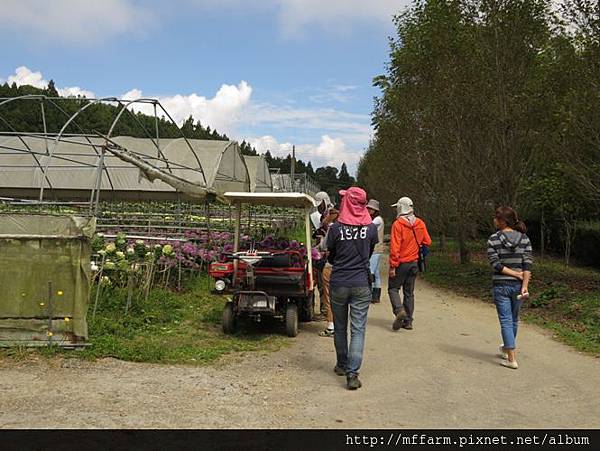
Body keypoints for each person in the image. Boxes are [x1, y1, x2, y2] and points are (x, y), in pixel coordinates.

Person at [326, 187, 378, 390]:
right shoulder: (371, 228)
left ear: (346, 202)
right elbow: (370, 251)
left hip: (339, 282)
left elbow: (330, 253)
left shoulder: (336, 228)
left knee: (340, 327)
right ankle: (353, 374)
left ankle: (341, 364)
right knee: (358, 329)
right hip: (361, 283)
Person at [487, 206, 533, 370]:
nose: (493, 220)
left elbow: (496, 265)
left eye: (495, 217)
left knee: (506, 320)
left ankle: (511, 358)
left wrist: (513, 274)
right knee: (513, 320)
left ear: (502, 220)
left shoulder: (493, 239)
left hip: (501, 285)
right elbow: (527, 264)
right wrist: (524, 284)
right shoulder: (525, 239)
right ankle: (507, 349)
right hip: (519, 286)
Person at [388, 197, 431, 331]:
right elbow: (427, 242)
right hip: (414, 263)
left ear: (401, 207)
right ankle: (408, 321)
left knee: (393, 288)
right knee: (409, 292)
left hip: (401, 262)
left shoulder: (398, 224)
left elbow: (395, 247)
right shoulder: (420, 223)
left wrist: (393, 265)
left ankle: (399, 310)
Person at [317, 208, 339, 337]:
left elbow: (324, 246)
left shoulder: (333, 228)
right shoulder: (355, 227)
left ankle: (331, 326)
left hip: (331, 266)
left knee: (330, 296)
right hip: (347, 268)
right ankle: (340, 326)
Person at [367, 199, 385, 303]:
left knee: (371, 272)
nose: (369, 210)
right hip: (376, 249)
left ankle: (369, 294)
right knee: (376, 272)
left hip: (375, 249)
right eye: (368, 208)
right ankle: (376, 296)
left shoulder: (377, 219)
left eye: (371, 209)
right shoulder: (376, 219)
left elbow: (369, 226)